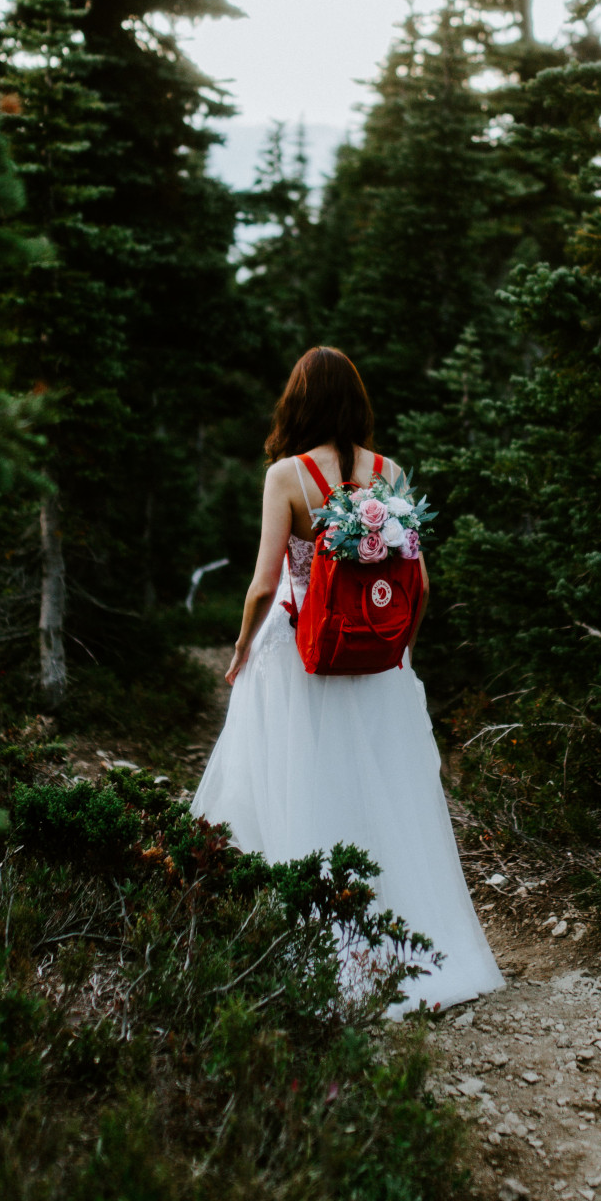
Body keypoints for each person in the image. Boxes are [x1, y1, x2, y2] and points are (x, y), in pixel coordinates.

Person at [192, 346, 503, 1014]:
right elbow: (418, 582)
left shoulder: (285, 476)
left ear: (295, 403)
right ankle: (410, 947)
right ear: (356, 402)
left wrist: (242, 649)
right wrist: (399, 650)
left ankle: (302, 944)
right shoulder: (388, 472)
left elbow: (263, 585)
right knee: (382, 791)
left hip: (303, 654)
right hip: (376, 656)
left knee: (294, 784)